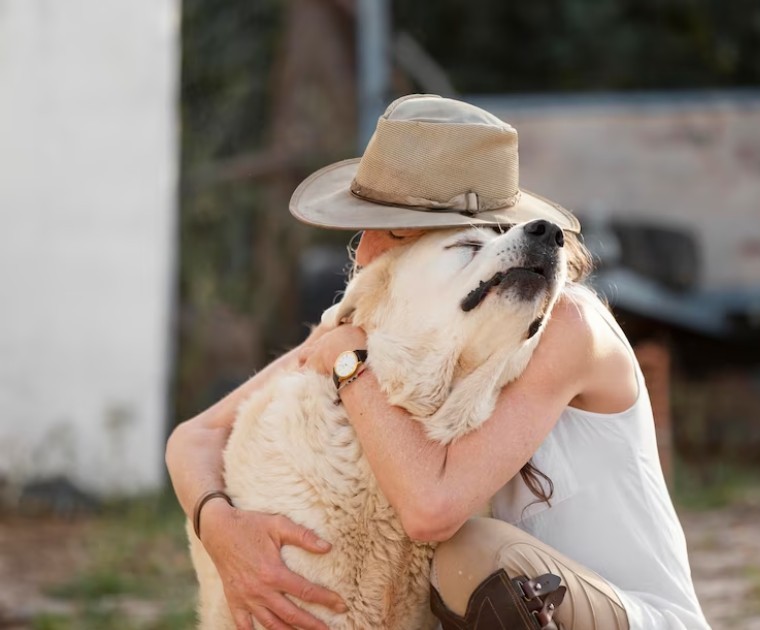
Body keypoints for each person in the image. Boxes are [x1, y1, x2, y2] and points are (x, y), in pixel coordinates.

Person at [166, 94, 710, 630]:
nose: (364, 248)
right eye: (364, 230)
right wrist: (221, 527)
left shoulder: (564, 325)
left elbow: (432, 509)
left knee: (470, 557)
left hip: (637, 617)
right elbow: (195, 435)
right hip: (532, 606)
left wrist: (352, 363)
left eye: (386, 228)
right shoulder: (397, 325)